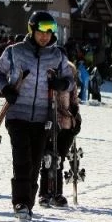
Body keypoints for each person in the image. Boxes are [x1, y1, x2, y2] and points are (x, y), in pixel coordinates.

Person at [0, 11, 74, 220]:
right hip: (17, 114)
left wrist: (62, 84)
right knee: (22, 161)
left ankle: (28, 203)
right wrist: (5, 89)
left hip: (43, 117)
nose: (45, 36)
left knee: (36, 163)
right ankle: (20, 203)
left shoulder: (57, 55)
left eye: (50, 31)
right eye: (41, 31)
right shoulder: (15, 52)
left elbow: (70, 80)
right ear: (32, 30)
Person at [39, 61, 82, 207]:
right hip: (50, 123)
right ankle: (45, 193)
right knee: (48, 158)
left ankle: (57, 192)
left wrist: (76, 117)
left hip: (67, 126)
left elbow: (74, 102)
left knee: (59, 160)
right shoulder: (49, 80)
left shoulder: (71, 85)